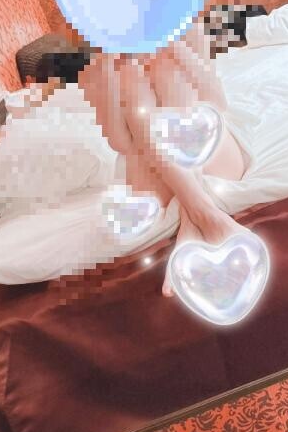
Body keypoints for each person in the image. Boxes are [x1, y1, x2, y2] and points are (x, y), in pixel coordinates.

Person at [76, 17, 251, 296]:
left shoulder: (187, 29)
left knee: (166, 71)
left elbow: (217, 102)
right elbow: (121, 142)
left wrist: (174, 49)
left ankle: (196, 216)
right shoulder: (100, 67)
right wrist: (111, 70)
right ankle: (199, 214)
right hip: (157, 175)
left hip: (210, 153)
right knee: (133, 80)